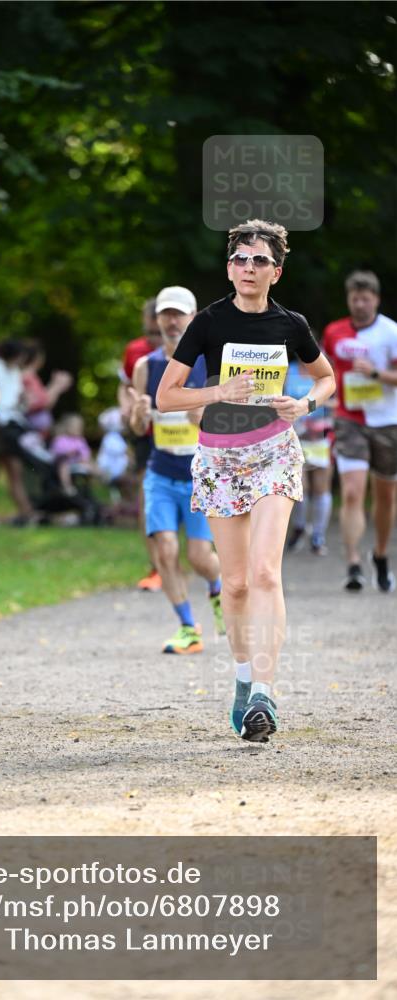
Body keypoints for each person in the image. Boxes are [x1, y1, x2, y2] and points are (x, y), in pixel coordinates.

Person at [156, 219, 335, 743]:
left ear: (275, 272)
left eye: (259, 260)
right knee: (233, 584)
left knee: (264, 574)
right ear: (229, 267)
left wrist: (303, 403)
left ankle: (264, 691)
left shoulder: (291, 325)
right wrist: (217, 392)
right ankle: (241, 677)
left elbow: (326, 378)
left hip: (275, 453)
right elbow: (167, 397)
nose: (248, 268)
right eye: (239, 258)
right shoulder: (207, 323)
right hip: (218, 460)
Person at [129, 286, 225, 654]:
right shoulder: (146, 367)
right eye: (165, 314)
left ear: (193, 317)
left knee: (201, 557)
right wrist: (137, 416)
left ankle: (219, 592)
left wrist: (200, 414)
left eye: (178, 314)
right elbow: (139, 429)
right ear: (157, 320)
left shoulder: (208, 362)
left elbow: (225, 423)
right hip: (160, 473)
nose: (172, 321)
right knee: (165, 550)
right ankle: (188, 627)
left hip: (201, 473)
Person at [321, 270, 397, 592]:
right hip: (349, 419)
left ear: (376, 300)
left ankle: (380, 553)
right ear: (348, 299)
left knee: (385, 496)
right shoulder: (335, 332)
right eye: (355, 298)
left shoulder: (390, 331)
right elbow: (322, 368)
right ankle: (353, 564)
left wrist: (377, 373)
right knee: (352, 491)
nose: (360, 304)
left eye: (366, 298)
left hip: (386, 420)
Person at [117, 298, 163, 591]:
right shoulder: (135, 351)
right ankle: (156, 566)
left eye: (158, 332)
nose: (154, 339)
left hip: (188, 433)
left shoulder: (192, 348)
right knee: (148, 496)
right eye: (150, 332)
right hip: (148, 435)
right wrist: (126, 408)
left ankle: (207, 558)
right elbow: (124, 386)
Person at [0, 339, 36, 527]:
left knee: (14, 469)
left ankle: (26, 512)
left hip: (10, 426)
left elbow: (15, 399)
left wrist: (22, 400)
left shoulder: (14, 371)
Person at [284, 357, 334, 555]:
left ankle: (318, 535)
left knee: (321, 487)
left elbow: (340, 401)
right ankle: (299, 528)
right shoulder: (289, 370)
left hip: (320, 435)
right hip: (295, 435)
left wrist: (317, 415)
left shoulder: (325, 369)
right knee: (300, 486)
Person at [20, 340, 73, 436]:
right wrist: (57, 385)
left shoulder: (29, 376)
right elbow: (42, 402)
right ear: (38, 357)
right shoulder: (27, 377)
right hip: (31, 431)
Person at [50, 413, 93, 495]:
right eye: (76, 428)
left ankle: (100, 476)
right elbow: (56, 450)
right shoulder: (60, 439)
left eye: (80, 428)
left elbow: (85, 450)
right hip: (64, 462)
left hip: (77, 462)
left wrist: (84, 457)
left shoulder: (80, 440)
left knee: (90, 465)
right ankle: (67, 486)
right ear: (68, 427)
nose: (79, 430)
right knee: (63, 467)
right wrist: (66, 453)